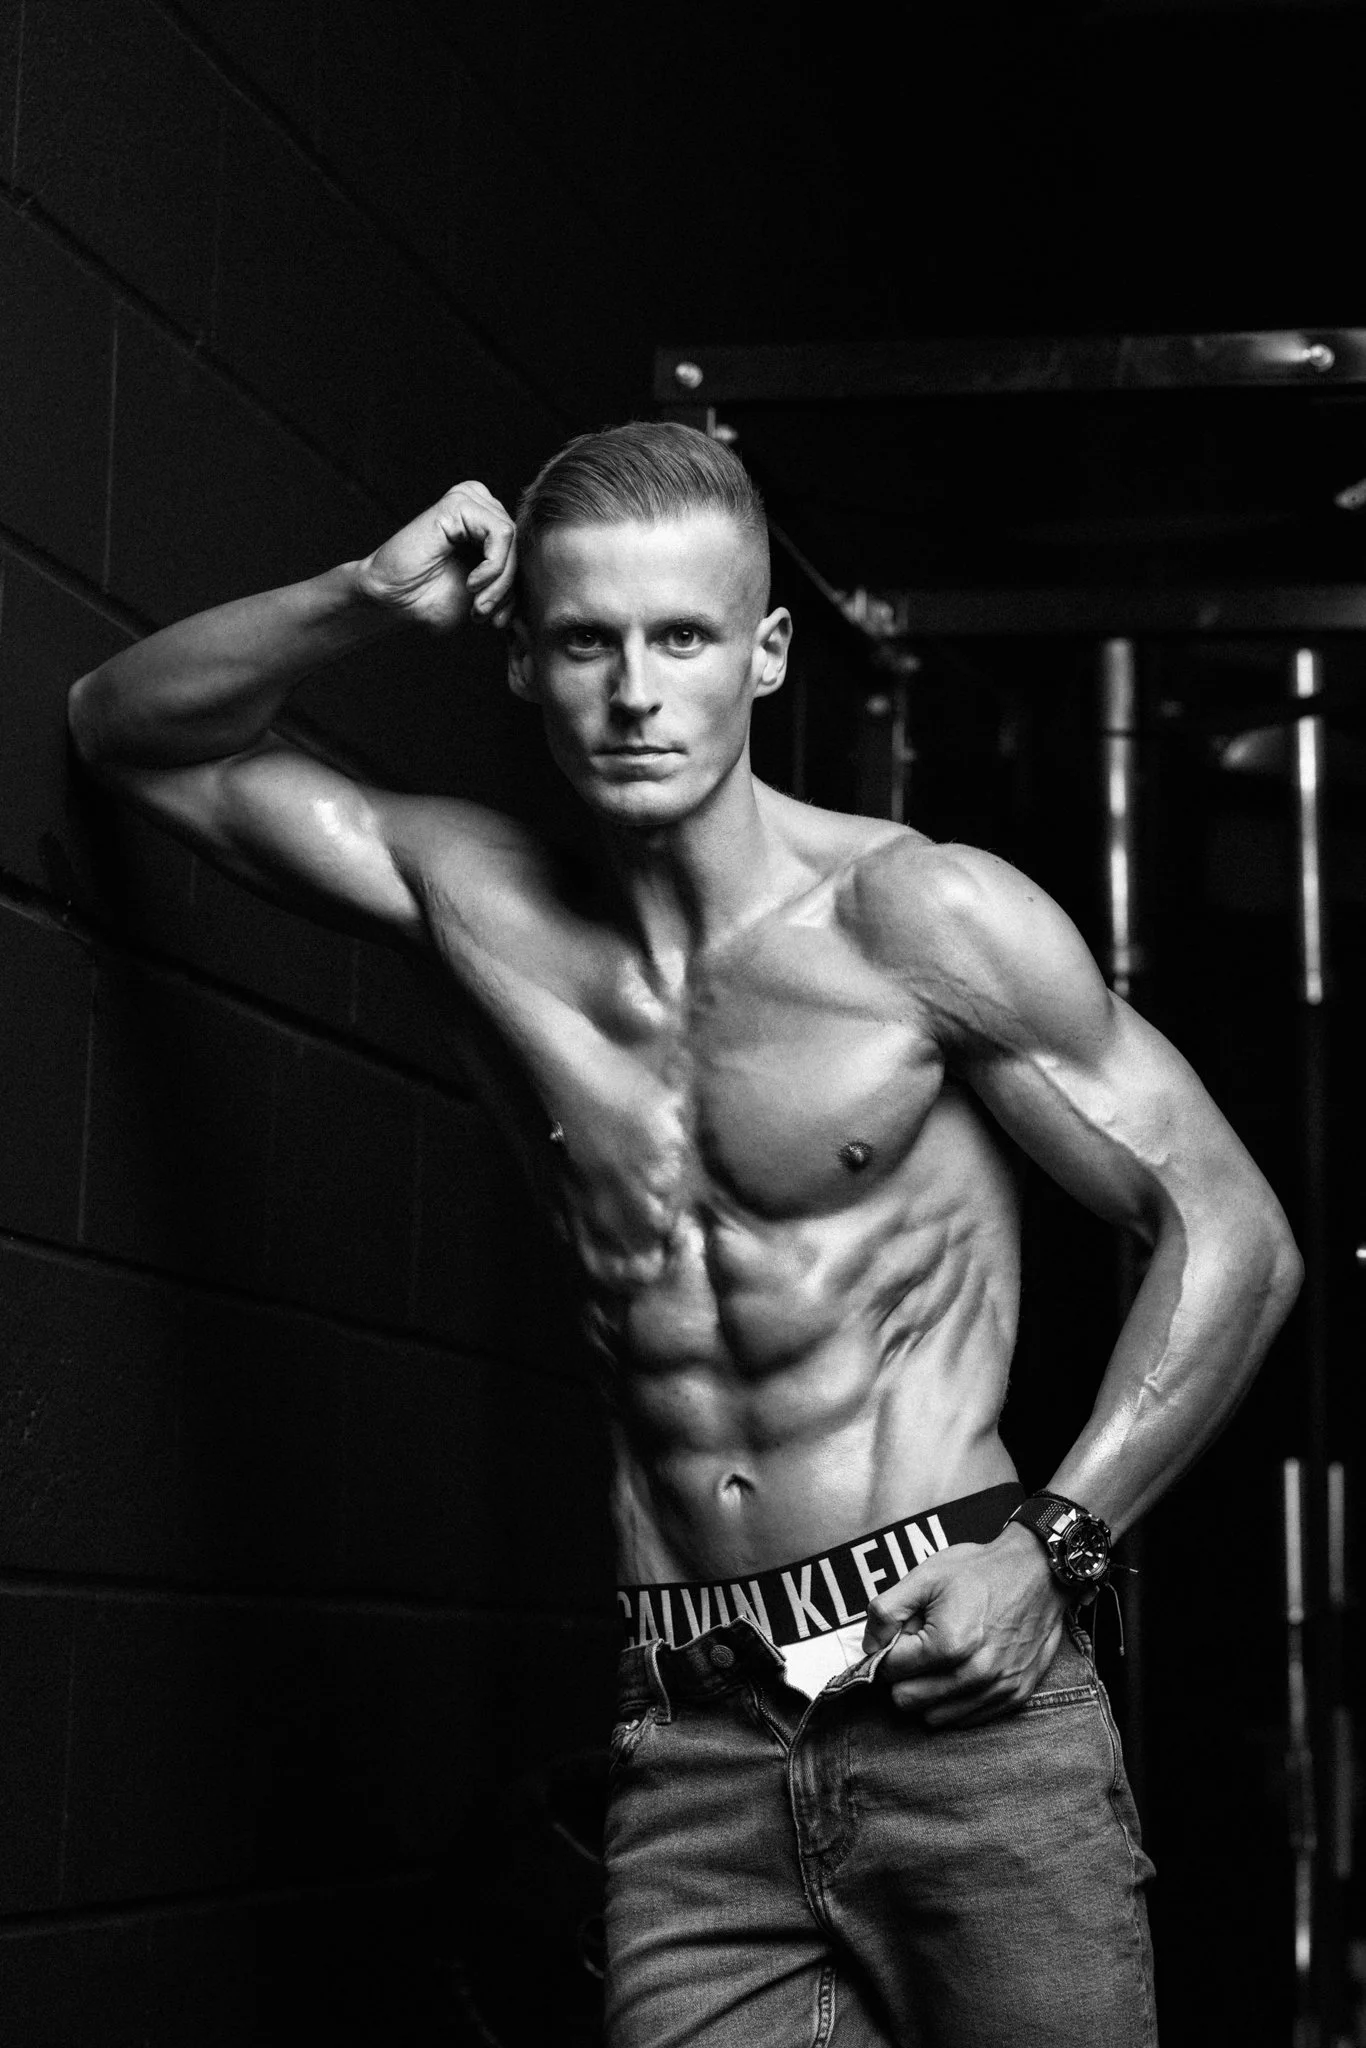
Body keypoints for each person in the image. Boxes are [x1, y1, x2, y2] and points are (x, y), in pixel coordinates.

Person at [69, 423, 1301, 2047]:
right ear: (522, 659)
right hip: (692, 1728)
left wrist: (1057, 1549)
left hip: (963, 1702)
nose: (635, 692)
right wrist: (365, 597)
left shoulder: (918, 919)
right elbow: (127, 734)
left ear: (766, 655)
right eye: (586, 642)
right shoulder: (473, 901)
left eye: (682, 639)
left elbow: (1227, 1229)